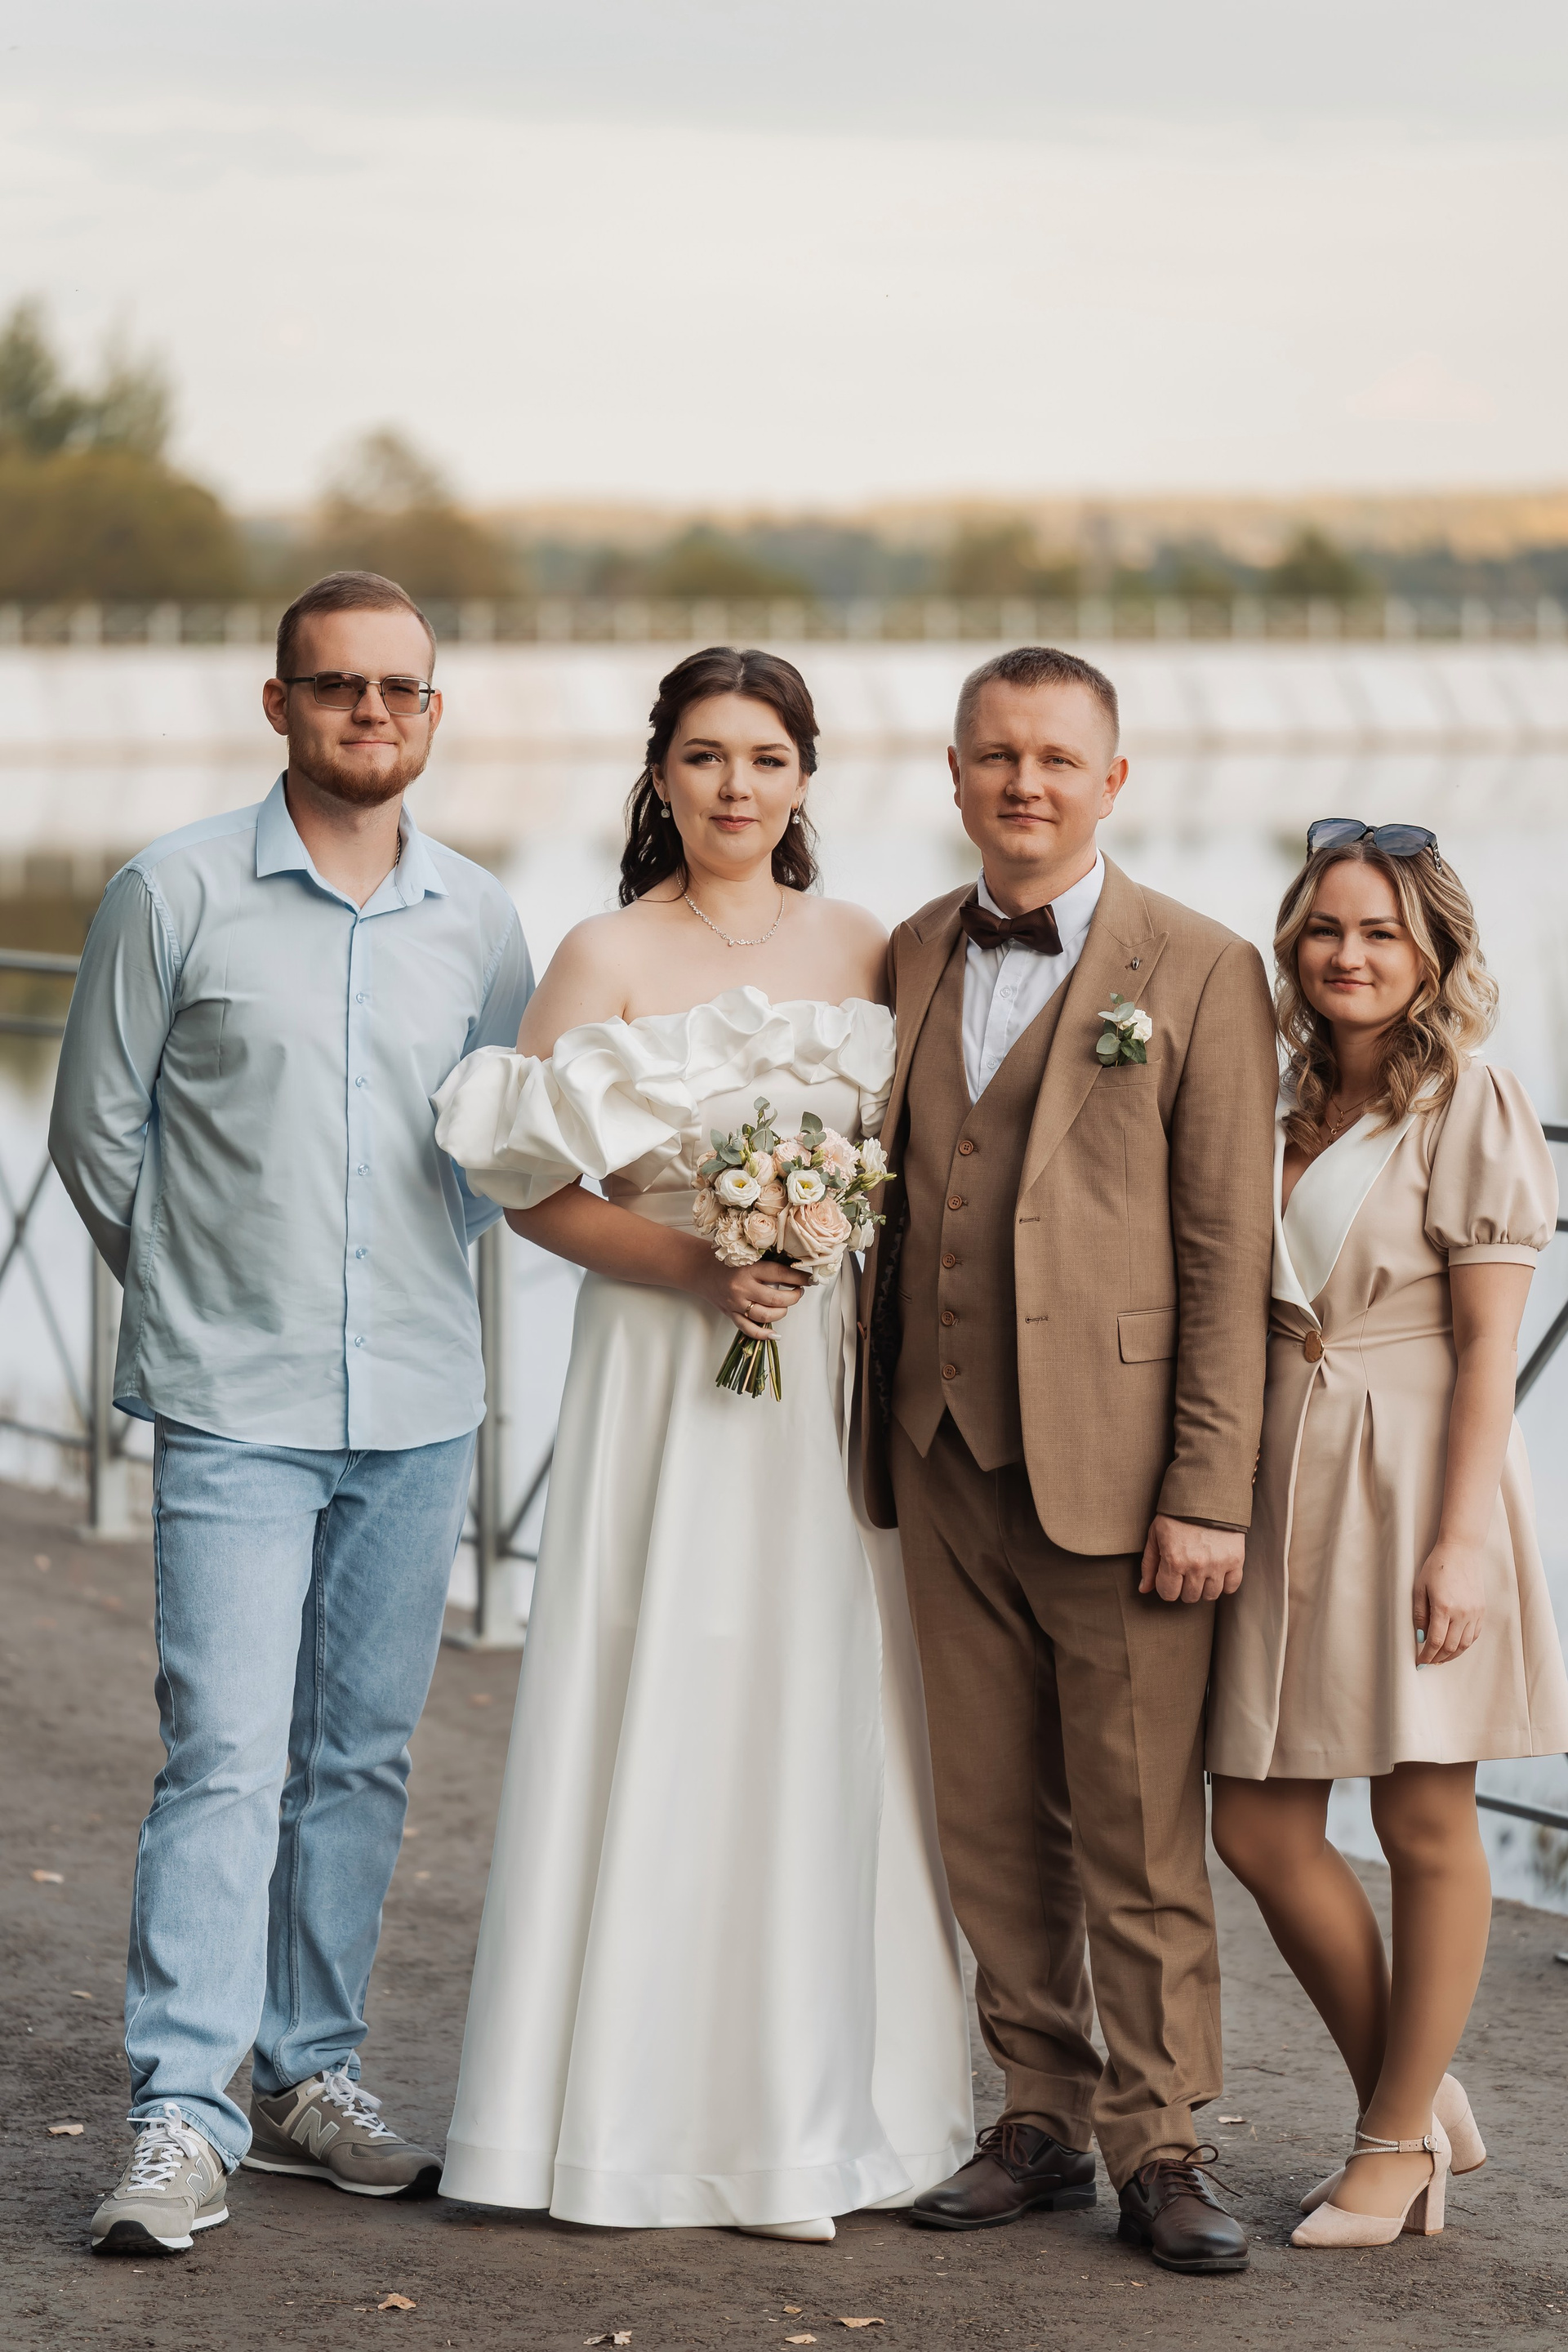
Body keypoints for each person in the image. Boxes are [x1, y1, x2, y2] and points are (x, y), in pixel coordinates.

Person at [430, 645, 974, 2241]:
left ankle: (824, 2114)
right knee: (658, 1689)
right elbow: (525, 1188)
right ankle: (626, 2121)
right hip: (665, 1378)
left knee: (826, 1706)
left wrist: (821, 1249)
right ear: (659, 772)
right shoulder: (601, 952)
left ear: (806, 778)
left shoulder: (872, 943)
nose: (737, 786)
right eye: (706, 755)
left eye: (766, 758)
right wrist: (695, 1264)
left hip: (828, 1385)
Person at [49, 571, 533, 2256]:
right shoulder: (167, 892)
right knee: (225, 1756)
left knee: (361, 1759)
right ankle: (182, 2114)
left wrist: (400, 1282)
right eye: (336, 686)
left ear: (433, 711)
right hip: (234, 1402)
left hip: (421, 1400)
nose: (369, 713)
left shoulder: (482, 920)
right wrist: (209, 1294)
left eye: (400, 688)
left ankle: (307, 2073)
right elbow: (96, 1137)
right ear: (280, 705)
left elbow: (491, 1155)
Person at [859, 644, 1277, 2275]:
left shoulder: (1203, 967)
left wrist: (1209, 1490)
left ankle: (1159, 2141)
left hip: (1123, 1472)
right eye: (994, 755)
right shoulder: (910, 950)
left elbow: (1228, 1253)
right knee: (988, 1816)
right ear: (956, 775)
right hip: (940, 1446)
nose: (1022, 782)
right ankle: (1035, 2112)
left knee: (1138, 1831)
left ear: (1113, 779)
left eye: (1053, 757)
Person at [1208, 824, 1568, 2251]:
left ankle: (1389, 2142)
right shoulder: (1273, 1092)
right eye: (1325, 930)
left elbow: (1490, 1347)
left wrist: (1461, 1543)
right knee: (1257, 1822)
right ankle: (1415, 2102)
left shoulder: (1471, 1099)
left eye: (1381, 934)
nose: (1347, 957)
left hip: (1420, 1476)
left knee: (1424, 1817)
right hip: (1281, 1473)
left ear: (1434, 955)